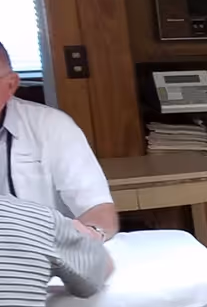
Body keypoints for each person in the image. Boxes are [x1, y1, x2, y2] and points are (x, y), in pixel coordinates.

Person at [0, 42, 119, 239]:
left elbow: (98, 209)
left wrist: (90, 237)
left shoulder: (52, 127)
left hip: (41, 258)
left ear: (11, 85)